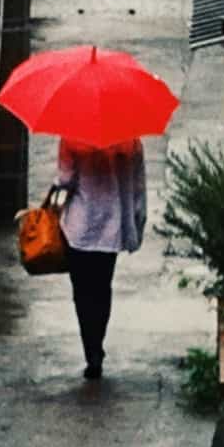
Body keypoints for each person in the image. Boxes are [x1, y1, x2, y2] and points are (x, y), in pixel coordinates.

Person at [51, 134, 148, 383]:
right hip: (111, 228)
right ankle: (98, 346)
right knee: (102, 289)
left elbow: (65, 180)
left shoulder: (72, 137)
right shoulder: (130, 140)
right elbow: (138, 187)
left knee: (82, 293)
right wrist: (137, 222)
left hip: (79, 228)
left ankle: (90, 349)